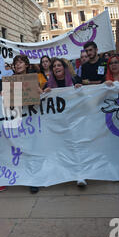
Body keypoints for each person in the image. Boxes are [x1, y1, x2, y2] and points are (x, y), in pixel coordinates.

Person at [43, 58, 86, 187]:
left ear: (64, 67)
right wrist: (44, 94)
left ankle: (80, 175)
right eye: (54, 66)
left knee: (76, 148)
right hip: (57, 124)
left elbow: (84, 100)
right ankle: (64, 173)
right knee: (62, 149)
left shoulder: (75, 81)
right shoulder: (47, 85)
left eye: (59, 65)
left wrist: (80, 90)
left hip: (73, 122)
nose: (57, 67)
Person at [11, 54, 42, 194]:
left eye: (21, 62)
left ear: (27, 65)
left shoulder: (33, 79)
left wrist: (39, 92)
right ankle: (25, 176)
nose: (18, 65)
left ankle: (34, 179)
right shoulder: (9, 81)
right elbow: (9, 104)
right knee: (22, 149)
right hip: (17, 119)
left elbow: (40, 98)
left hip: (32, 120)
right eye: (16, 63)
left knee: (33, 148)